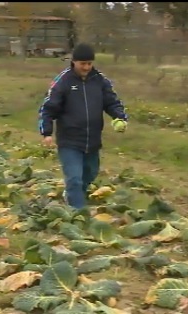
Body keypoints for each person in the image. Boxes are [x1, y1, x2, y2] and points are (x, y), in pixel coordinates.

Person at [38, 43, 128, 211]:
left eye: (89, 63)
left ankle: (72, 195)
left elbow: (112, 102)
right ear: (74, 62)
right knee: (74, 178)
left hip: (92, 139)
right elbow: (48, 107)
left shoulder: (100, 80)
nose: (86, 67)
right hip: (69, 140)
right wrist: (47, 132)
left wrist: (119, 117)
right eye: (82, 64)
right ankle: (78, 213)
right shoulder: (63, 81)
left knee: (90, 173)